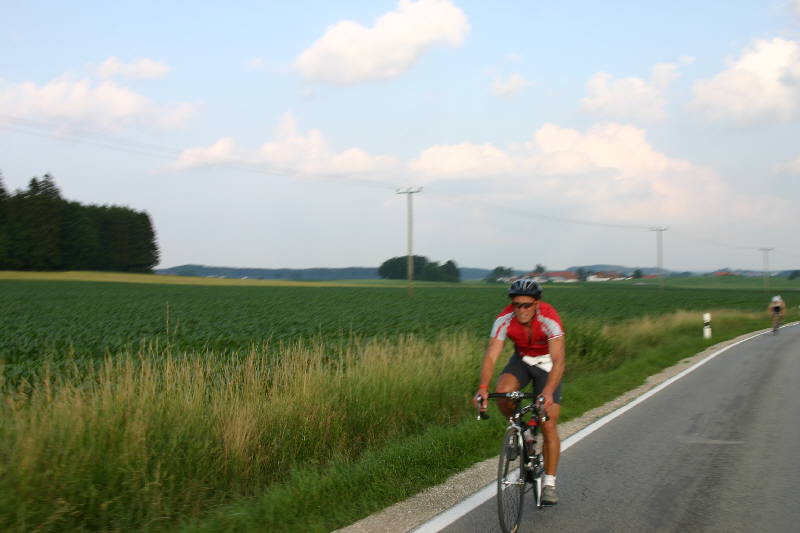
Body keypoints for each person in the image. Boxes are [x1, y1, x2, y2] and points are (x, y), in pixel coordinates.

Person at [474, 277, 565, 505]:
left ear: (536, 304)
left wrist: (548, 391)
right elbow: (491, 355)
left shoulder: (549, 319)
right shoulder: (504, 319)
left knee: (548, 422)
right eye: (516, 305)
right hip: (523, 360)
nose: (521, 310)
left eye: (526, 305)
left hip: (548, 365)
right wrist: (482, 388)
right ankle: (519, 430)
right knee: (502, 392)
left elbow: (559, 360)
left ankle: (549, 484)